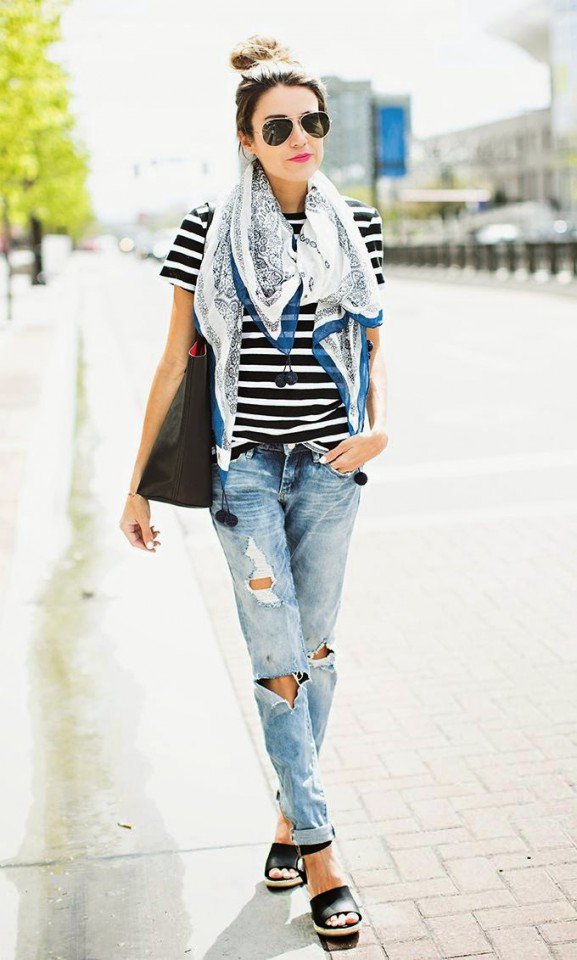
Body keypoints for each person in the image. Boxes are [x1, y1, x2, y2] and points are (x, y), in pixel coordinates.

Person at [119, 34, 388, 939]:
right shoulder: (206, 227)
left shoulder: (357, 227)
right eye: (280, 126)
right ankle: (321, 851)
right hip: (245, 477)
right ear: (246, 137)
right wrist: (138, 484)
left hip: (331, 472)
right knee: (278, 657)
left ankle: (283, 816)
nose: (300, 136)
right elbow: (170, 362)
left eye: (313, 121)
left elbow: (372, 347)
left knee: (313, 650)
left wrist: (378, 425)